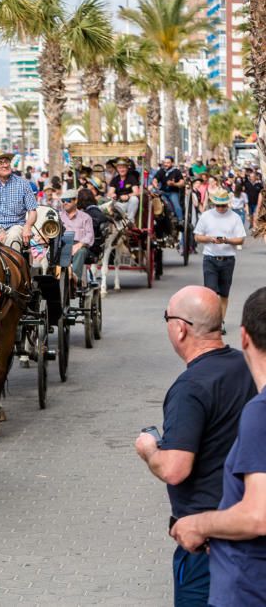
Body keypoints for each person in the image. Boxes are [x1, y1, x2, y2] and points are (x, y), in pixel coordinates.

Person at [135, 286, 255, 606]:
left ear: (180, 328)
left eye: (166, 318)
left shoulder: (190, 387)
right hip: (247, 538)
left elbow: (175, 469)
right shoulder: (246, 366)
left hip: (205, 544)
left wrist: (149, 448)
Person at [170, 288, 266, 607]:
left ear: (244, 337)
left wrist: (199, 524)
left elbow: (257, 515)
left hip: (244, 583)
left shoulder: (260, 412)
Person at [194, 189, 246, 331]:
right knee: (211, 293)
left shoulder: (234, 217)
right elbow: (197, 236)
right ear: (214, 204)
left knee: (224, 294)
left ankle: (220, 322)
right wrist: (210, 238)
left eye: (223, 205)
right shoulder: (206, 216)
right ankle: (213, 320)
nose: (221, 208)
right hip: (210, 258)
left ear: (228, 204)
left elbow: (241, 239)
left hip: (228, 259)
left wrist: (227, 240)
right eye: (218, 205)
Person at [0, 148, 38, 250]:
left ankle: (11, 266)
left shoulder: (23, 183)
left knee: (13, 236)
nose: (5, 165)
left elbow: (32, 211)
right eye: (1, 163)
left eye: (6, 162)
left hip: (16, 226)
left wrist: (27, 226)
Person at [58, 189, 94, 282]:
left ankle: (75, 279)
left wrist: (79, 245)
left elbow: (90, 236)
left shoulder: (85, 217)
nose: (65, 203)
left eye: (68, 200)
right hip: (62, 244)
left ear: (76, 200)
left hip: (80, 245)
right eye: (63, 201)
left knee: (81, 252)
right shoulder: (58, 216)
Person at [154, 156, 186, 220]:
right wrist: (155, 184)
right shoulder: (161, 171)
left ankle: (180, 220)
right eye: (165, 162)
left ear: (172, 163)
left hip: (173, 192)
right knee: (162, 204)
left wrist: (174, 184)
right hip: (163, 192)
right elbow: (155, 179)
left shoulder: (176, 171)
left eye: (168, 163)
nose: (166, 164)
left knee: (176, 206)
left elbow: (182, 183)